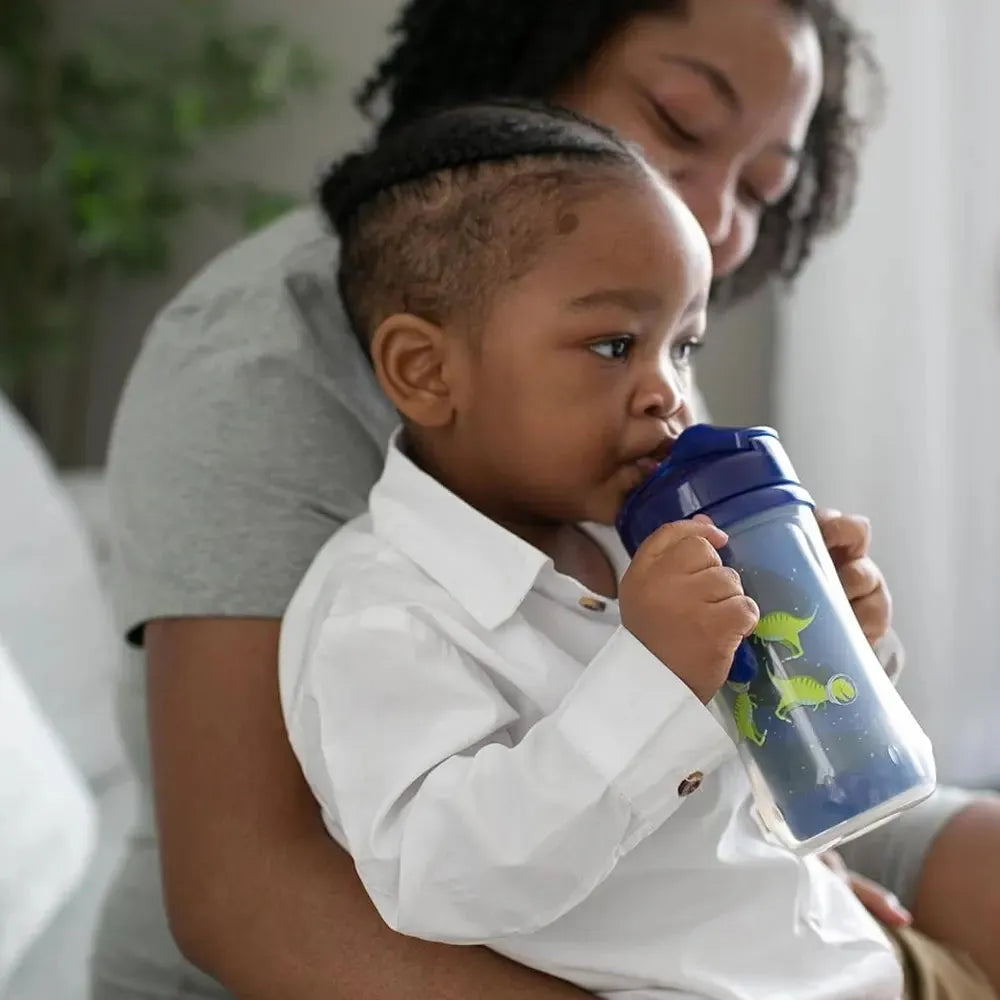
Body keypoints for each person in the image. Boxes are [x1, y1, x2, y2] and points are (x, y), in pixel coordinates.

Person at [94, 1, 1000, 998]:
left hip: (773, 922)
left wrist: (825, 640)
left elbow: (733, 771)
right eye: (681, 122)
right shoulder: (330, 504)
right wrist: (661, 680)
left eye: (761, 185)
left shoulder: (604, 423)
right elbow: (259, 886)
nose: (714, 215)